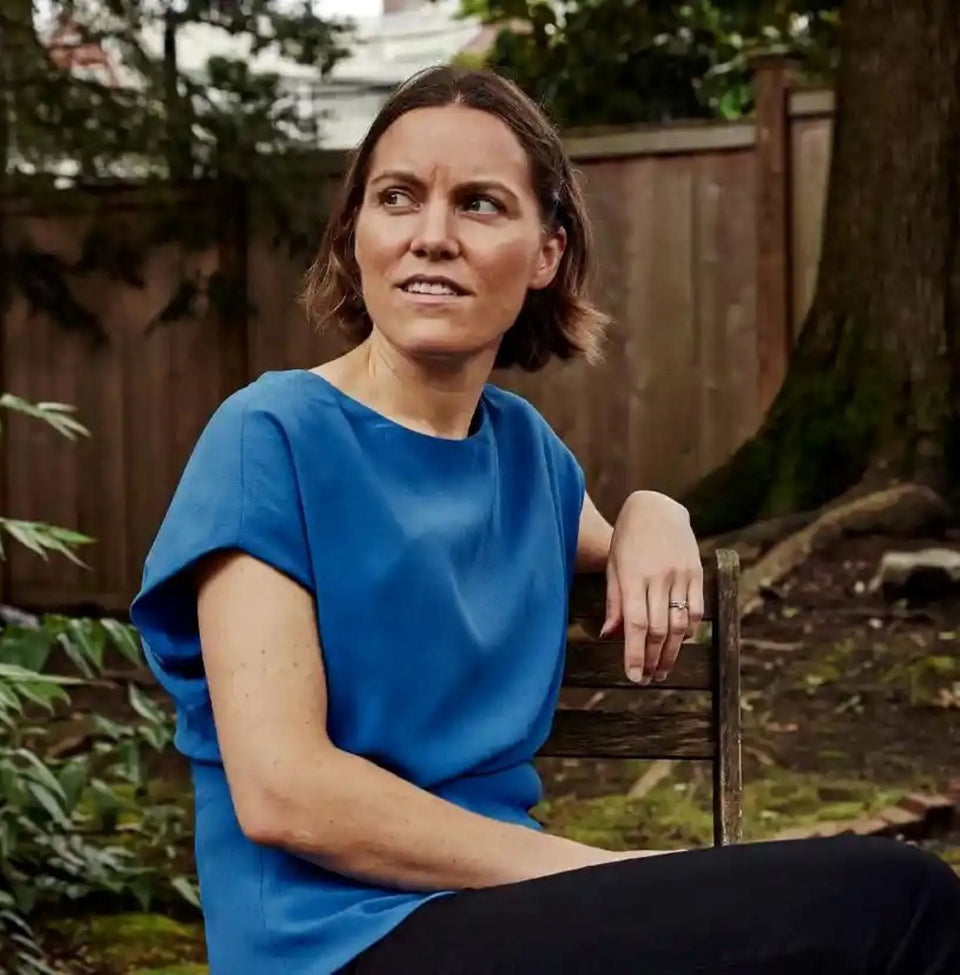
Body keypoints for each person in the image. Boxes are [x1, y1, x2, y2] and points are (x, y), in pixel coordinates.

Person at [130, 66, 960, 975]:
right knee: (899, 902)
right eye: (398, 197)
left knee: (886, 904)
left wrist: (657, 508)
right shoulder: (269, 436)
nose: (431, 237)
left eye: (480, 204)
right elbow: (287, 794)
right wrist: (597, 872)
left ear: (546, 254)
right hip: (333, 942)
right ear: (355, 234)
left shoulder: (524, 451)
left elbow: (612, 536)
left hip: (515, 919)